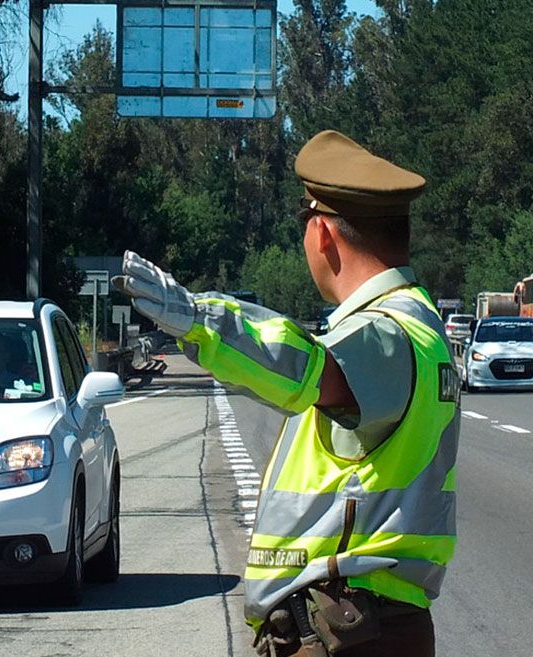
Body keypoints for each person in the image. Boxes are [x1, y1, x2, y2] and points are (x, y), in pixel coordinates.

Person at [115, 130, 459, 657]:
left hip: (349, 628)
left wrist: (199, 321)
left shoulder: (384, 334)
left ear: (322, 234)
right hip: (370, 623)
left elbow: (312, 368)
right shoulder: (422, 326)